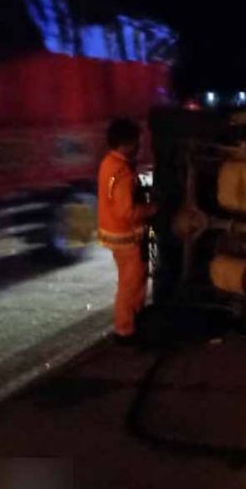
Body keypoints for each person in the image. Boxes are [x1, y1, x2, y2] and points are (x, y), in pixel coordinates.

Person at [97, 118, 158, 345]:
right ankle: (127, 331)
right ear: (127, 142)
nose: (140, 146)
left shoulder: (108, 163)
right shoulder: (122, 171)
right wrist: (152, 208)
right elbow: (126, 211)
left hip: (115, 236)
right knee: (132, 286)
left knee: (126, 284)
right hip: (128, 237)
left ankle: (126, 327)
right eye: (137, 141)